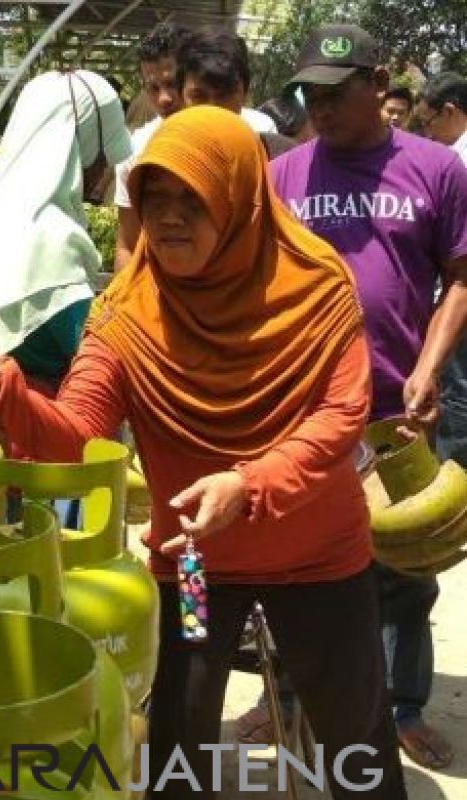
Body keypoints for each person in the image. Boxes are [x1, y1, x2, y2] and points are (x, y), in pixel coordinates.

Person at [0, 106, 407, 800]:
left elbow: (342, 415)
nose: (172, 217)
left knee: (356, 734)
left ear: (239, 199)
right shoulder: (128, 313)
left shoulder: (316, 287)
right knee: (178, 739)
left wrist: (250, 483)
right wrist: (0, 387)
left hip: (319, 563)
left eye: (195, 198)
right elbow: (77, 437)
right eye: (156, 198)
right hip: (194, 568)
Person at [240, 25, 467, 770]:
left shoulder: (436, 170)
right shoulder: (285, 177)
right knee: (298, 566)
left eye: (338, 93)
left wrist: (429, 367)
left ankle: (400, 708)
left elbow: (461, 276)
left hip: (398, 413)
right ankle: (292, 704)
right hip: (301, 415)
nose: (323, 108)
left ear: (376, 83)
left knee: (405, 571)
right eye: (312, 95)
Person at [0, 70, 131, 395]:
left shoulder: (7, 213)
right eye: (103, 153)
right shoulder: (53, 242)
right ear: (81, 144)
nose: (105, 168)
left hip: (1, 413)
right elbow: (102, 356)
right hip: (47, 421)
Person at [112, 26, 277, 270]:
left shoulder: (261, 138)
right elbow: (128, 246)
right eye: (153, 88)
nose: (164, 99)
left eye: (169, 84)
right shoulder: (138, 152)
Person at [415, 71, 467, 468]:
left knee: (457, 392)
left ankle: (454, 477)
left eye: (428, 122)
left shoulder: (455, 163)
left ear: (449, 111)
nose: (427, 133)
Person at [174, 30, 292, 158]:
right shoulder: (163, 164)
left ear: (245, 93)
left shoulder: (282, 159)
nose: (213, 110)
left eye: (223, 95)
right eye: (199, 96)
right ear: (181, 97)